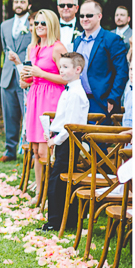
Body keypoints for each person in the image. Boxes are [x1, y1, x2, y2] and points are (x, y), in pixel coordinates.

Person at [20, 9, 68, 206]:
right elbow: (29, 80)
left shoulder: (58, 48)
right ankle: (38, 194)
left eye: (43, 23)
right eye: (36, 23)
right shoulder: (33, 47)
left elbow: (67, 78)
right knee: (35, 151)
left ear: (52, 25)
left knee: (46, 151)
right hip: (35, 98)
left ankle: (51, 196)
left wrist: (42, 73)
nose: (39, 26)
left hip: (51, 100)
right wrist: (25, 79)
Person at [41, 52, 88, 232]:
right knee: (59, 180)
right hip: (63, 139)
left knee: (57, 181)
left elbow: (71, 126)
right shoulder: (69, 90)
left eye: (65, 67)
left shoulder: (75, 93)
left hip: (69, 141)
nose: (61, 70)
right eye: (60, 66)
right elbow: (63, 119)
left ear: (78, 70)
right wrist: (52, 131)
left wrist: (55, 140)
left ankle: (55, 222)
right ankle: (64, 220)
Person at [72, 0, 129, 116]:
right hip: (78, 101)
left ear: (99, 16)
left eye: (89, 15)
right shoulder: (77, 41)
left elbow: (122, 71)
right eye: (82, 16)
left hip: (101, 102)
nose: (84, 18)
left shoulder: (112, 39)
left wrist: (112, 99)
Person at [0, 0, 33, 163]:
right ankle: (9, 150)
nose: (19, 4)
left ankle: (29, 151)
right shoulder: (5, 25)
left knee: (28, 115)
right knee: (9, 115)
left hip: (27, 76)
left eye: (22, 2)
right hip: (8, 77)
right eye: (16, 1)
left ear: (29, 5)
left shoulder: (33, 23)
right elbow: (6, 49)